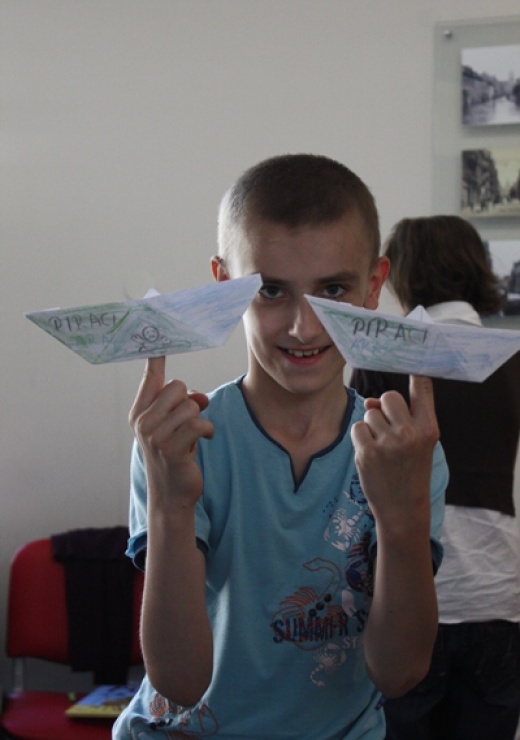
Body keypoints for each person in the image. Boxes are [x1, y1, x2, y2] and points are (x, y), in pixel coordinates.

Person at [113, 155, 448, 740]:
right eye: (270, 290)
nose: (303, 327)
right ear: (225, 287)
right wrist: (170, 503)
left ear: (373, 286)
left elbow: (400, 673)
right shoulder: (179, 443)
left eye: (333, 290)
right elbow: (180, 682)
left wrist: (402, 516)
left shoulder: (402, 451)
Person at [351, 215, 520, 740]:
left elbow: (352, 480)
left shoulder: (384, 356)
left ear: (401, 273)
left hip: (409, 590)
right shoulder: (512, 358)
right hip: (499, 589)